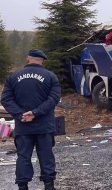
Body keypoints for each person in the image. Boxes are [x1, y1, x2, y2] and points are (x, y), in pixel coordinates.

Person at [1, 49, 61, 190]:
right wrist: (35, 113)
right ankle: (49, 185)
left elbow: (6, 99)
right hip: (44, 125)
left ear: (28, 58)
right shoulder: (50, 76)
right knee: (46, 156)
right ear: (42, 60)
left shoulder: (13, 76)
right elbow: (53, 99)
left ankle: (23, 186)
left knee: (23, 156)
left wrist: (20, 114)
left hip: (23, 126)